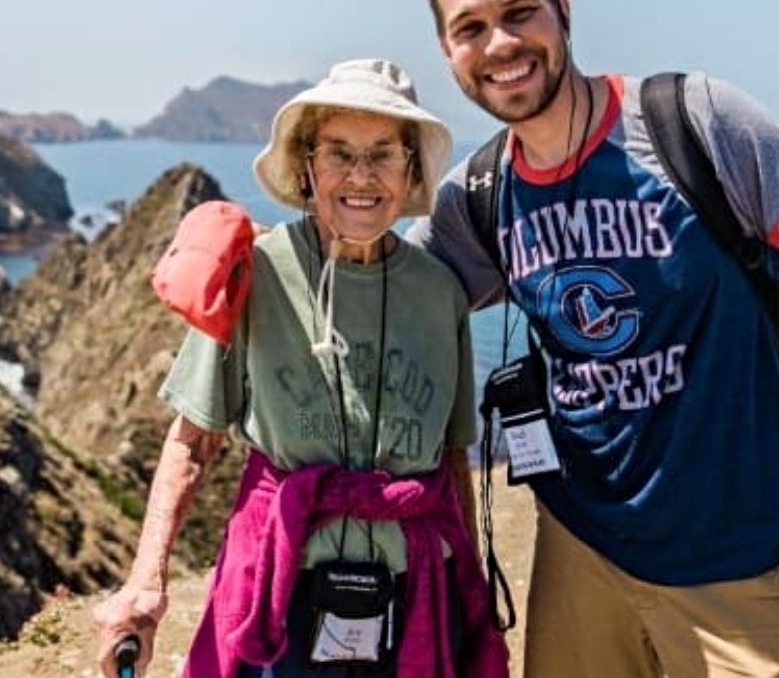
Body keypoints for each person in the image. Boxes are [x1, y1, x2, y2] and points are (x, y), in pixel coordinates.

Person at [406, 0, 779, 678]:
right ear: (449, 54)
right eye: (470, 28)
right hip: (581, 560)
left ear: (565, 11)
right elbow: (375, 286)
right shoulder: (483, 197)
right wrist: (239, 251)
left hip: (740, 572)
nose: (500, 45)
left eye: (520, 12)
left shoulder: (694, 125)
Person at [92, 59, 507, 678]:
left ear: (411, 169)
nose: (360, 176)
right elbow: (194, 440)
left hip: (414, 589)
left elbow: (450, 463)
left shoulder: (441, 294)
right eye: (339, 153)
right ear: (307, 166)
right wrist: (145, 581)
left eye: (383, 154)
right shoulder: (254, 271)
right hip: (280, 587)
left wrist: (469, 591)